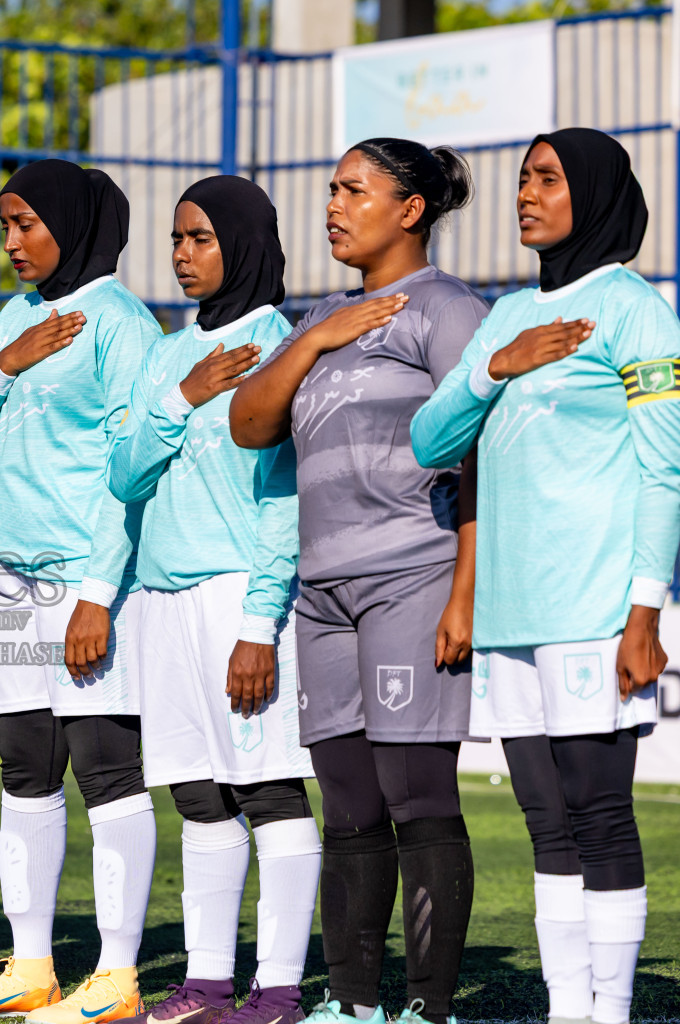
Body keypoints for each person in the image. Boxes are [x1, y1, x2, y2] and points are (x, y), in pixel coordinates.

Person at [412, 127, 679, 1024]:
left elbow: (665, 470)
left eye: (548, 179)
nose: (526, 194)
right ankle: (570, 1010)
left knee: (599, 815)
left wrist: (644, 613)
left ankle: (613, 1013)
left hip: (596, 609)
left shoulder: (636, 311)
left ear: (594, 195)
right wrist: (496, 367)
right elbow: (431, 441)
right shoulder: (503, 318)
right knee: (543, 821)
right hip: (510, 615)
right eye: (523, 179)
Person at [227, 138, 486, 1024]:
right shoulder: (321, 318)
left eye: (353, 190)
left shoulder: (447, 310)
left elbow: (483, 448)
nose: (333, 205)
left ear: (410, 209)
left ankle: (426, 1005)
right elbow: (249, 422)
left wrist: (465, 589)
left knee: (417, 793)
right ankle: (352, 1001)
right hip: (322, 592)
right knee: (346, 801)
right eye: (331, 190)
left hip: (412, 574)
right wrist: (319, 340)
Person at [0, 159, 158, 1024]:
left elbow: (130, 476)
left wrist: (99, 590)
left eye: (28, 223)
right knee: (26, 770)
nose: (14, 241)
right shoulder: (11, 322)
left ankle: (118, 975)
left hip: (84, 584)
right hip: (8, 582)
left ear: (75, 222)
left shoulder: (121, 326)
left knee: (106, 770)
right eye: (6, 225)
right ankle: (32, 967)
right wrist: (3, 365)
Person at [108, 176, 318, 1024]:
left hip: (241, 595)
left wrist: (261, 622)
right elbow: (123, 472)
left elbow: (283, 499)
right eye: (176, 239)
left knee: (267, 788)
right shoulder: (166, 352)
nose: (183, 255)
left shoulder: (282, 345)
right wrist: (180, 397)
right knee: (197, 791)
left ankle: (280, 985)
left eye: (200, 238)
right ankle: (204, 981)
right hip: (161, 596)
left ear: (242, 242)